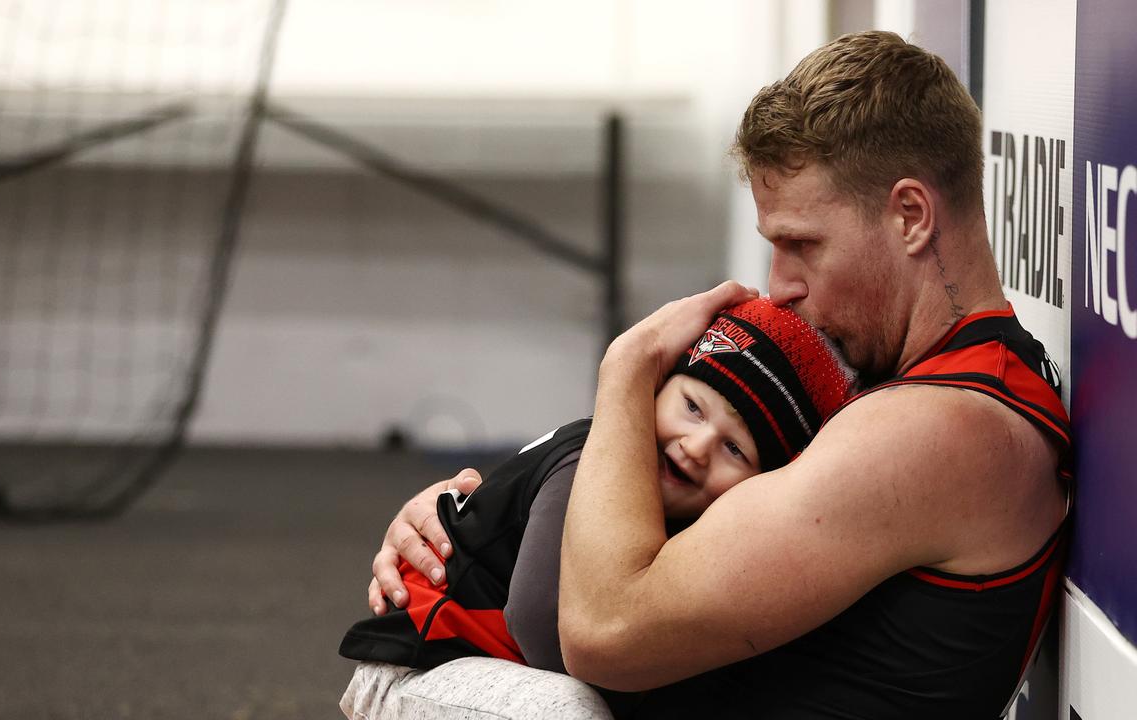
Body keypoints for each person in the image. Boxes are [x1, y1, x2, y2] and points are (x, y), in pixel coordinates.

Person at [364, 30, 1071, 718]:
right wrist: (477, 524)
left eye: (802, 245)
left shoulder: (942, 430)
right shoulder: (930, 388)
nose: (780, 285)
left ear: (911, 216)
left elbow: (603, 631)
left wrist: (627, 369)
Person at [341, 300, 856, 703]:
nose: (696, 449)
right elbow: (545, 629)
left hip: (495, 662)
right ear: (652, 388)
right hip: (423, 661)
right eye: (693, 407)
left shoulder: (699, 522)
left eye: (734, 449)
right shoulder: (592, 462)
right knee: (574, 708)